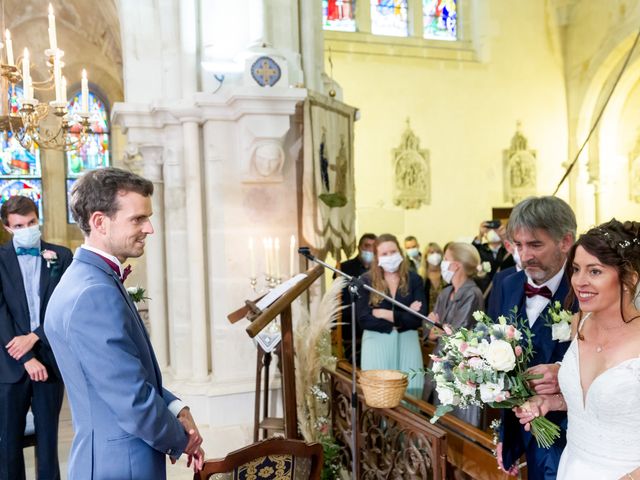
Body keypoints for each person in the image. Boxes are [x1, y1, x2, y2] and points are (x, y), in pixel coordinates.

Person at [44, 168, 204, 479]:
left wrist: (177, 409)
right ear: (100, 222)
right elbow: (132, 400)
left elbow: (127, 374)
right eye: (138, 219)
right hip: (120, 465)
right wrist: (182, 440)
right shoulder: (93, 294)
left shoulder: (88, 279)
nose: (149, 229)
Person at [514, 219, 640, 480]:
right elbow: (595, 409)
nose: (579, 281)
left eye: (595, 271)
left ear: (629, 278)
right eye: (576, 269)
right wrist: (550, 402)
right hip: (573, 466)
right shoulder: (579, 323)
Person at [496, 196, 577, 479]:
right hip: (523, 427)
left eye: (535, 244)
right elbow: (500, 362)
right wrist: (504, 435)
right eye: (518, 245)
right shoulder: (508, 284)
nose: (525, 255)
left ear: (565, 241)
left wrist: (563, 373)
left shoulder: (586, 288)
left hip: (572, 433)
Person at [0, 196, 72, 480]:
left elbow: (65, 308)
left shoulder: (61, 256)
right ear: (7, 227)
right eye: (19, 225)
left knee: (48, 443)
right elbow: (0, 313)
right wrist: (26, 356)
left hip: (50, 361)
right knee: (8, 445)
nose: (27, 228)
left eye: (31, 222)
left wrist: (35, 338)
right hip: (9, 365)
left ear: (37, 219)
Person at [356, 233, 426, 397]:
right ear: (376, 258)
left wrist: (385, 314)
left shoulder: (414, 280)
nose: (390, 257)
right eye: (384, 254)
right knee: (380, 395)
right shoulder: (365, 281)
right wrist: (404, 314)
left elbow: (417, 319)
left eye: (393, 252)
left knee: (411, 392)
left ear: (400, 253)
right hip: (376, 343)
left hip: (408, 341)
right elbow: (364, 319)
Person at [422, 242, 484, 426]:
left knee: (456, 420)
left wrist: (437, 327)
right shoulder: (445, 292)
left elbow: (456, 332)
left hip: (460, 367)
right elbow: (429, 328)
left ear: (456, 265)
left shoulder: (472, 293)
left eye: (446, 259)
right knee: (436, 416)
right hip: (439, 361)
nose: (442, 263)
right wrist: (437, 328)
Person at [333, 233, 376, 366]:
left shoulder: (380, 269)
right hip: (350, 326)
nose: (370, 250)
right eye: (366, 246)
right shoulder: (345, 268)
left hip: (373, 324)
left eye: (374, 247)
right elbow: (338, 299)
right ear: (359, 247)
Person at [473, 221, 515, 293]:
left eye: (496, 229)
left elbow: (515, 256)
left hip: (505, 288)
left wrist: (504, 237)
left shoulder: (506, 249)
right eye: (490, 230)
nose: (493, 232)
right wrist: (480, 235)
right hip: (484, 289)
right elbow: (470, 253)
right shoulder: (481, 249)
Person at [420, 242, 446, 313]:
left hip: (446, 318)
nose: (435, 255)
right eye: (431, 252)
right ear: (425, 257)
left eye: (438, 252)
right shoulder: (421, 277)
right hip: (426, 318)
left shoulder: (446, 275)